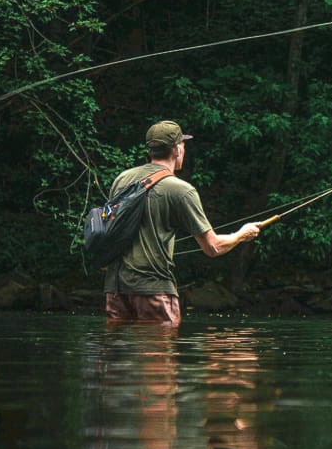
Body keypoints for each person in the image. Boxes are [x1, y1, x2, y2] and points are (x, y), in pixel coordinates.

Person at [104, 120, 267, 326]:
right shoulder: (180, 190)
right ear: (177, 150)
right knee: (158, 356)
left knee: (118, 356)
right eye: (183, 144)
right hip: (154, 291)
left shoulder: (122, 179)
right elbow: (213, 247)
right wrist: (242, 234)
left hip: (115, 289)